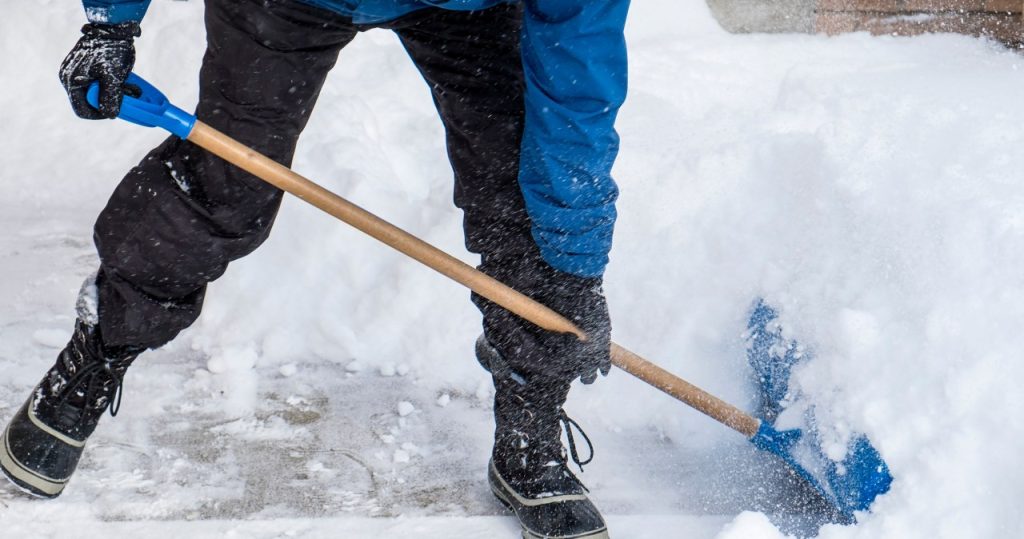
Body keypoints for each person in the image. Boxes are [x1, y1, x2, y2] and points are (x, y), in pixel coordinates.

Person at [0, 0, 628, 537]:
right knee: (225, 184)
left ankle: (529, 420)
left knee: (526, 195)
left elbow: (577, 78)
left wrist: (573, 268)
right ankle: (101, 346)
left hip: (466, 7)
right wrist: (111, 20)